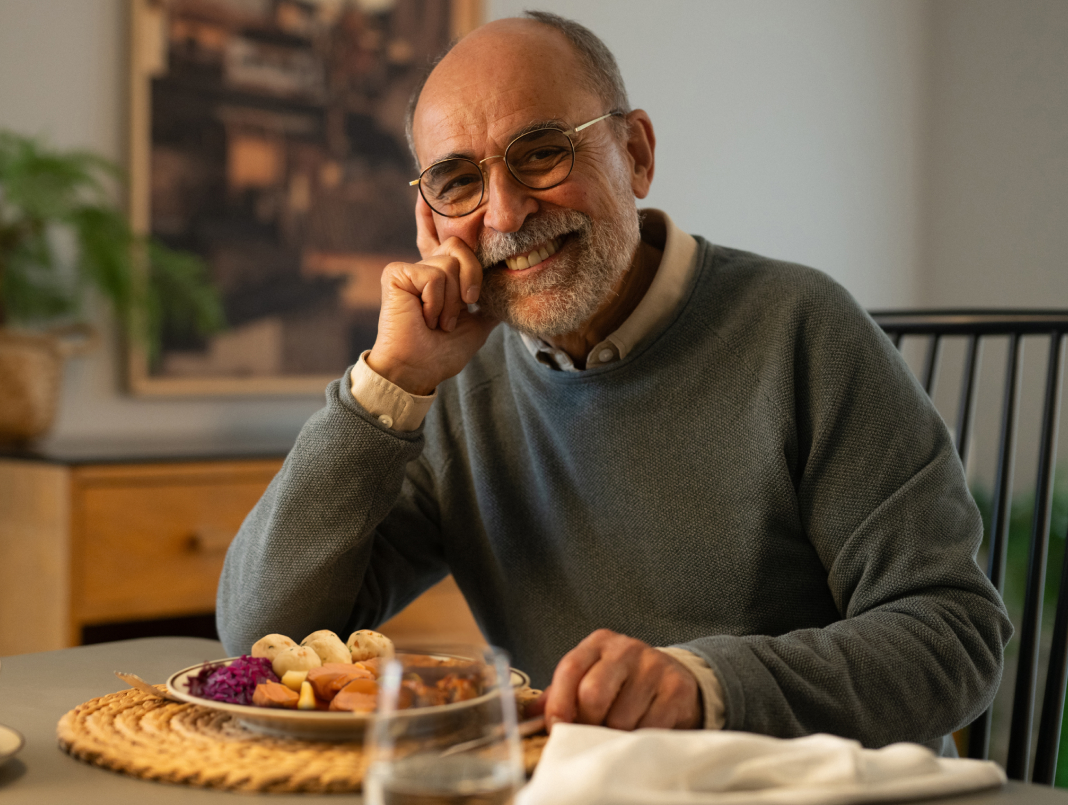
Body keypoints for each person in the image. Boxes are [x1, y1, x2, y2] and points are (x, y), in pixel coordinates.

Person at [216, 11, 1010, 754]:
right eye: (458, 181)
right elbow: (261, 635)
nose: (504, 213)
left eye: (541, 152)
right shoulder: (447, 386)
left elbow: (954, 637)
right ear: (429, 218)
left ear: (636, 154)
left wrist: (704, 687)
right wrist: (388, 383)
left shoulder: (806, 328)